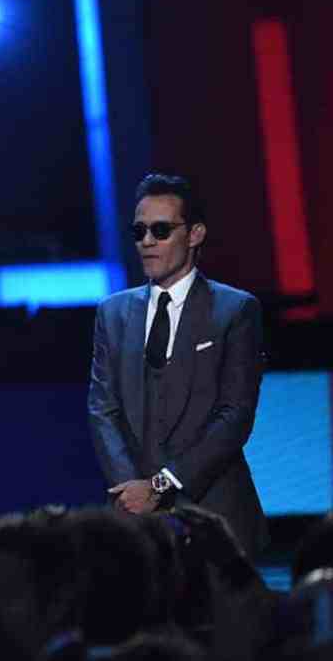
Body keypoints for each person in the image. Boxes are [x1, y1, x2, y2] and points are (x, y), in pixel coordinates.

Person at [88, 173, 268, 557]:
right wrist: (133, 493)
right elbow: (102, 409)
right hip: (134, 524)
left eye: (161, 230)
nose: (147, 242)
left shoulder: (235, 310)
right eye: (139, 231)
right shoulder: (113, 313)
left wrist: (159, 487)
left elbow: (234, 416)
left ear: (195, 234)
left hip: (216, 519)